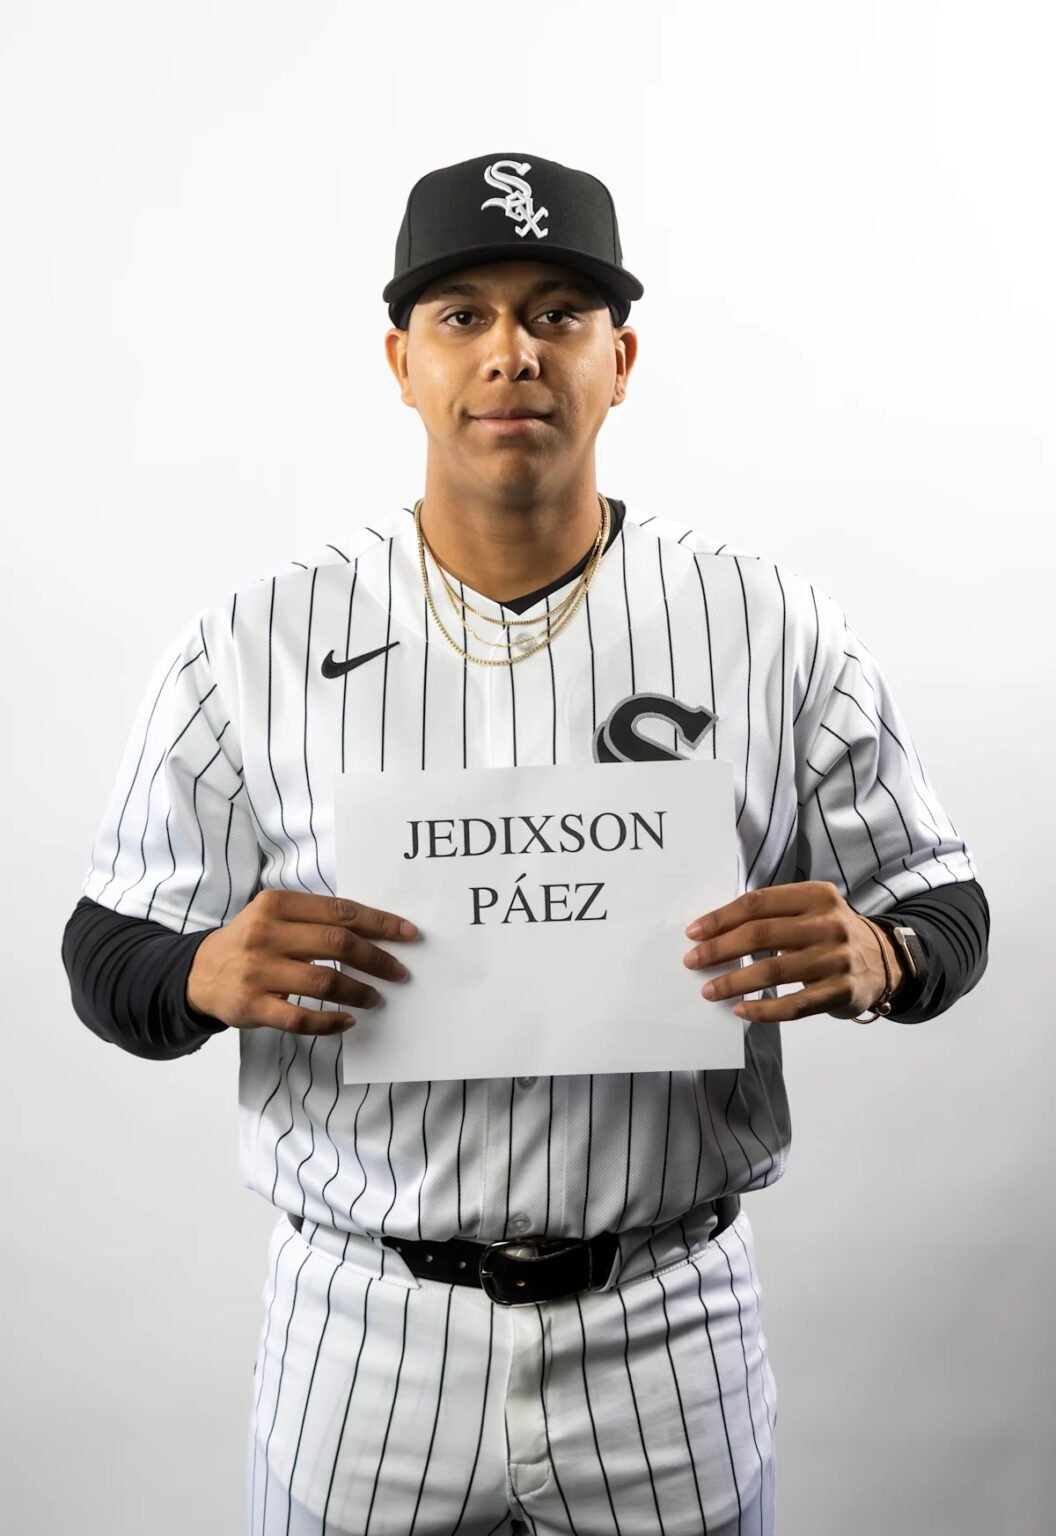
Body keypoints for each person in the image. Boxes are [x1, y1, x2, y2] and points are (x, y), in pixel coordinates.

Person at [63, 152, 989, 1536]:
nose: (514, 352)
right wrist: (198, 973)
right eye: (465, 315)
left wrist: (883, 953)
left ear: (621, 359)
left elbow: (943, 904)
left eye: (559, 312)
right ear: (402, 361)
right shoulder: (251, 642)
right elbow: (105, 951)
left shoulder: (769, 623)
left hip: (667, 1323)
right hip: (364, 1330)